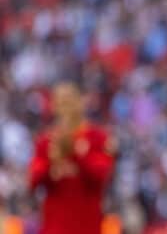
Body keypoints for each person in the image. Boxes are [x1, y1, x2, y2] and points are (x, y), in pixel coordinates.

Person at [28, 82, 116, 234]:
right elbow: (33, 180)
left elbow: (103, 175)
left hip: (88, 226)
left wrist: (80, 153)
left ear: (80, 103)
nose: (65, 108)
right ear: (53, 106)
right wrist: (50, 165)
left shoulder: (96, 138)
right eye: (60, 102)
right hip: (54, 227)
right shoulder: (46, 141)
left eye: (69, 101)